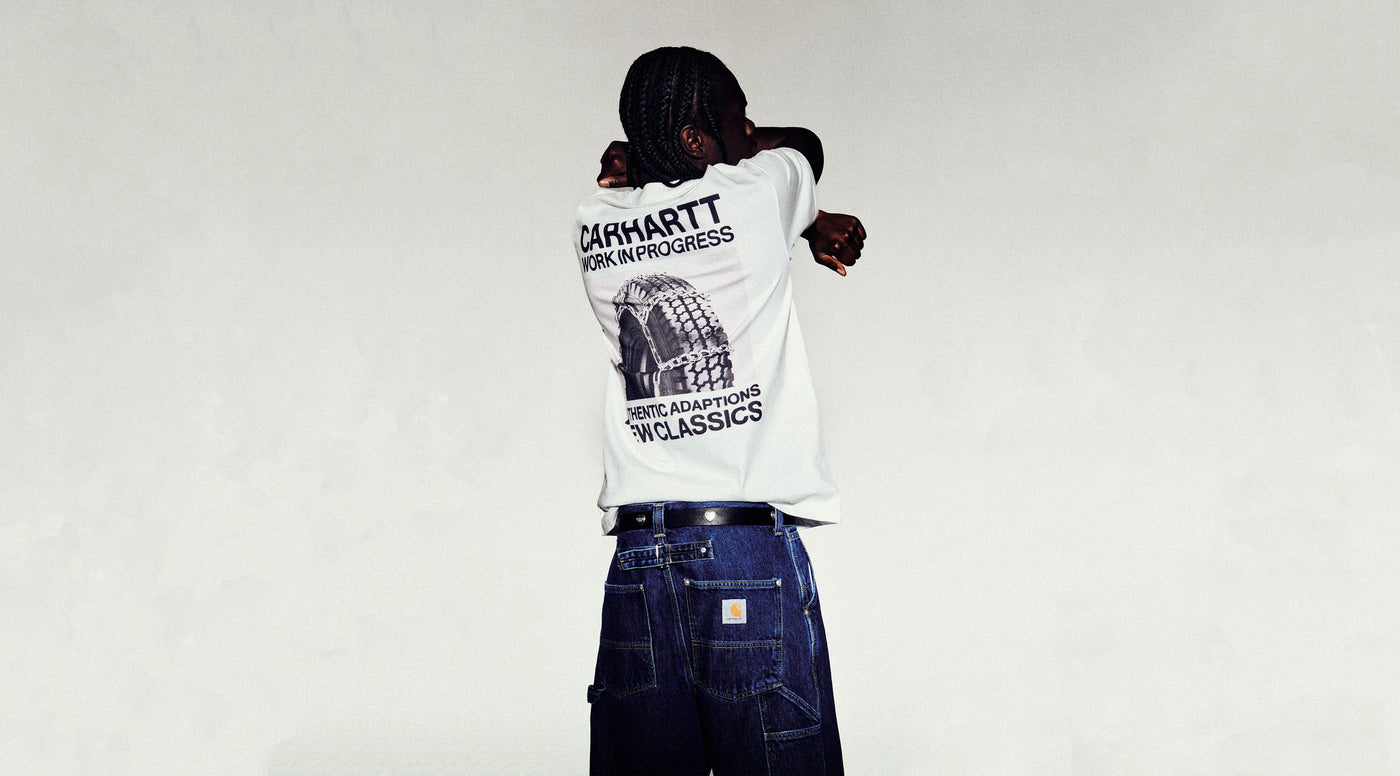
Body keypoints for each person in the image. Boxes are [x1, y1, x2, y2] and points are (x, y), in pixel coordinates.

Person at [574, 46, 866, 775]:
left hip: (637, 565)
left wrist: (639, 157)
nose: (752, 131)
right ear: (697, 139)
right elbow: (805, 144)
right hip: (741, 557)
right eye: (740, 118)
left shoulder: (594, 220)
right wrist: (809, 217)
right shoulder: (757, 192)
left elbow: (666, 180)